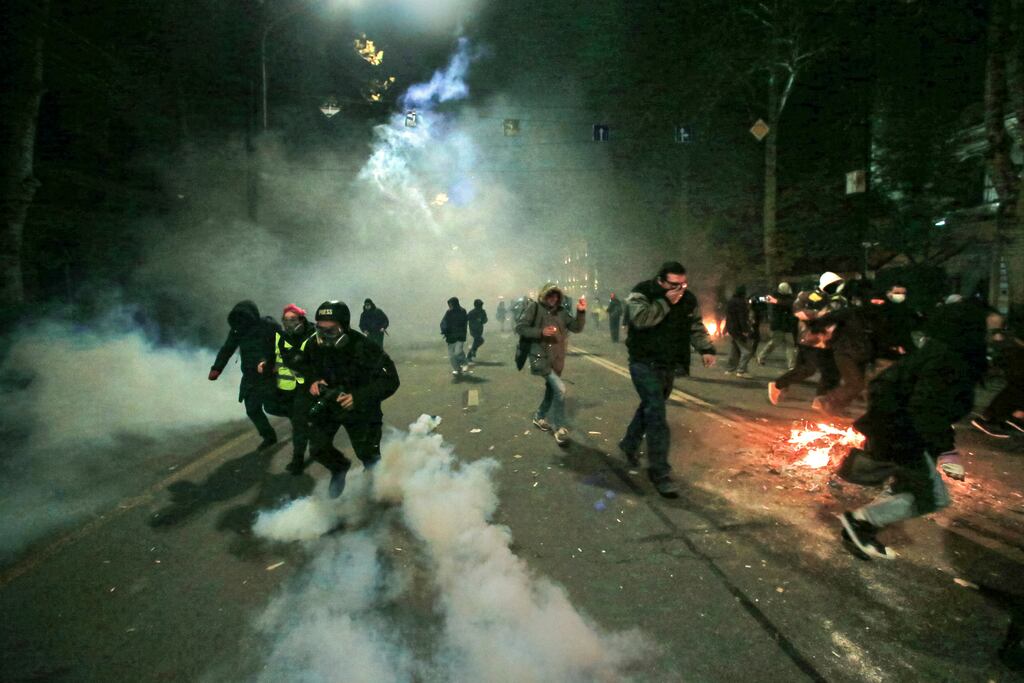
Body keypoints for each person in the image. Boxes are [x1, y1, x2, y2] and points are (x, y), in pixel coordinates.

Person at [838, 302, 979, 560]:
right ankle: (860, 522)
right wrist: (948, 450)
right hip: (904, 436)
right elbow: (926, 408)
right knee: (933, 498)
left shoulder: (936, 353)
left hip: (898, 432)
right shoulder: (946, 360)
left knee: (904, 488)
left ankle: (859, 529)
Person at [619, 261, 716, 498]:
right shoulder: (642, 293)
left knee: (651, 407)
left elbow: (695, 325)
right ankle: (660, 472)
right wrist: (665, 302)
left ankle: (629, 443)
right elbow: (641, 320)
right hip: (643, 362)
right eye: (674, 284)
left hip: (669, 363)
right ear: (661, 280)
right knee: (657, 413)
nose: (679, 289)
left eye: (683, 284)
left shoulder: (688, 299)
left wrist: (706, 348)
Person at [301, 300, 400, 498]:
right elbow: (304, 367)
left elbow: (391, 380)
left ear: (344, 327)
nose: (324, 336)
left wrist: (359, 397)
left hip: (361, 409)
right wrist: (312, 381)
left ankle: (377, 492)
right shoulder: (313, 344)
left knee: (369, 456)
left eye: (331, 330)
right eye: (320, 329)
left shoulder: (365, 347)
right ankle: (339, 468)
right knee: (318, 449)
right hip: (329, 404)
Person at [515, 283, 586, 446]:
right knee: (560, 389)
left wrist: (581, 312)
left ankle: (539, 416)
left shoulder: (561, 312)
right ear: (544, 295)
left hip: (557, 359)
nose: (553, 299)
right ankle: (560, 427)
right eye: (550, 295)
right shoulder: (535, 308)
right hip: (540, 357)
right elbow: (520, 327)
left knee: (551, 390)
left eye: (556, 296)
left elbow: (576, 327)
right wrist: (541, 332)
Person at [208, 300, 280, 449]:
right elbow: (227, 349)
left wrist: (275, 364)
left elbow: (285, 345)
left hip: (269, 373)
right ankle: (269, 436)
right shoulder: (237, 331)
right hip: (250, 376)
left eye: (244, 317)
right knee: (252, 409)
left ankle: (299, 421)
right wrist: (217, 368)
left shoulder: (268, 326)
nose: (241, 322)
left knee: (274, 406)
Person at [768, 272, 847, 406]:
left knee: (829, 372)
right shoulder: (810, 296)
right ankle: (778, 385)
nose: (837, 287)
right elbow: (799, 311)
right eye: (834, 284)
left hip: (827, 341)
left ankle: (820, 401)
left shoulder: (838, 299)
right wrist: (820, 314)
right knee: (809, 369)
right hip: (811, 340)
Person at [267, 304, 317, 474]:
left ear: (301, 319)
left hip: (308, 386)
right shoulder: (281, 337)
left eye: (292, 320)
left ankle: (298, 460)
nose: (288, 323)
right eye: (285, 320)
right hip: (287, 388)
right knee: (296, 418)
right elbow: (278, 356)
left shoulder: (313, 335)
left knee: (299, 423)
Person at [972, 321, 1024, 438]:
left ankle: (996, 417)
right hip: (1017, 350)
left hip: (1015, 348)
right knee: (1018, 386)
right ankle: (1002, 418)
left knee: (1017, 386)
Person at [756, 282, 797, 369]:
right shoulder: (775, 297)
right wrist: (759, 299)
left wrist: (775, 301)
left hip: (787, 326)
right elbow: (761, 299)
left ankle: (791, 365)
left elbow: (789, 304)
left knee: (790, 345)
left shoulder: (788, 299)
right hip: (779, 325)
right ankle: (761, 357)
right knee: (774, 343)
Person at [724, 285, 754, 378]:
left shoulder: (731, 301)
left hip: (732, 328)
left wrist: (725, 328)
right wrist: (745, 330)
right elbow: (742, 318)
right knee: (747, 351)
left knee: (735, 349)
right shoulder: (741, 303)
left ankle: (730, 369)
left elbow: (729, 316)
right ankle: (741, 370)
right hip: (738, 329)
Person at [440, 297, 469, 376]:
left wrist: (444, 331)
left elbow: (443, 323)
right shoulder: (451, 312)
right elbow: (444, 323)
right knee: (452, 355)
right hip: (452, 336)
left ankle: (464, 363)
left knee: (457, 352)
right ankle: (457, 369)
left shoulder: (460, 311)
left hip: (457, 336)